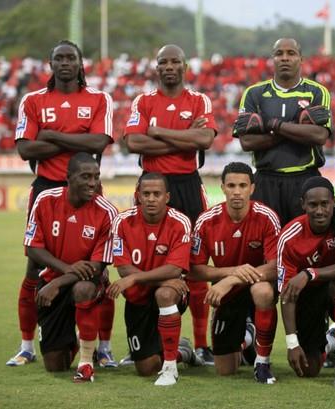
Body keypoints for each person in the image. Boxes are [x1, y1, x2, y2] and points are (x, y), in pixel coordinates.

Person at [10, 40, 115, 367]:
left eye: (71, 58)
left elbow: (99, 142)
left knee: (99, 273)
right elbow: (26, 150)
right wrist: (74, 140)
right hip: (46, 190)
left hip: (87, 188)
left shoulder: (99, 98)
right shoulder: (33, 101)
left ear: (81, 64)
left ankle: (104, 348)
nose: (65, 63)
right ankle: (26, 345)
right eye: (59, 58)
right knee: (33, 267)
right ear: (51, 64)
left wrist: (52, 136)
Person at [124, 44, 217, 365]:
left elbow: (205, 140)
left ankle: (203, 345)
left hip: (187, 186)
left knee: (194, 264)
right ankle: (148, 342)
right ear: (156, 67)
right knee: (147, 263)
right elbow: (133, 141)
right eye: (162, 61)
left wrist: (159, 131)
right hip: (151, 186)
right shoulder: (144, 101)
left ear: (184, 66)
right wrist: (183, 137)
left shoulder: (198, 100)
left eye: (174, 61)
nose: (168, 66)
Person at [24, 153, 117, 382]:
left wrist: (58, 282)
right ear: (68, 178)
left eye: (96, 177)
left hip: (88, 280)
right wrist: (64, 270)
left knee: (83, 289)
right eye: (85, 177)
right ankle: (80, 338)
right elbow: (33, 249)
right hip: (53, 280)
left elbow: (95, 267)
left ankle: (86, 363)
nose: (93, 183)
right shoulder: (45, 199)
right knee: (55, 365)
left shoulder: (107, 211)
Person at [189, 162, 281, 384]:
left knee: (262, 291)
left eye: (242, 185)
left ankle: (262, 361)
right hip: (227, 295)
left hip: (257, 286)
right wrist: (232, 273)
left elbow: (276, 266)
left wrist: (230, 279)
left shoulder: (267, 216)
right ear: (222, 187)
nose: (237, 191)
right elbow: (194, 270)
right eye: (231, 185)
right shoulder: (206, 221)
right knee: (225, 370)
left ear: (252, 188)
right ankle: (248, 338)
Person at [107, 173, 203, 386]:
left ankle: (170, 368)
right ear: (137, 196)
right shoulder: (122, 221)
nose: (151, 198)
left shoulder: (180, 222)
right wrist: (158, 280)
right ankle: (182, 352)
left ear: (166, 197)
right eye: (146, 193)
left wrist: (135, 279)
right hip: (137, 300)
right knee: (146, 369)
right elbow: (123, 268)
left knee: (165, 293)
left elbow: (175, 268)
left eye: (156, 194)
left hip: (172, 294)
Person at [233, 37, 332, 226]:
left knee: (304, 246)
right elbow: (247, 143)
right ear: (273, 59)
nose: (285, 58)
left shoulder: (317, 92)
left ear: (301, 59)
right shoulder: (254, 93)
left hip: (305, 178)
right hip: (266, 180)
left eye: (291, 53)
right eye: (279, 54)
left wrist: (271, 124)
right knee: (264, 246)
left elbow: (319, 136)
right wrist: (296, 127)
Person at [278, 176, 335, 388]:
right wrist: (292, 343)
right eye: (313, 205)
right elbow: (286, 294)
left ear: (334, 201)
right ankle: (332, 339)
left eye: (325, 204)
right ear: (303, 204)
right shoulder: (289, 236)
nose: (320, 210)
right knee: (308, 370)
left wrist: (308, 273)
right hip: (309, 296)